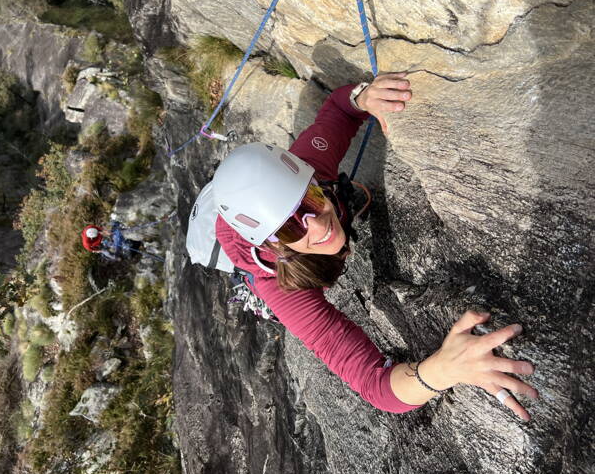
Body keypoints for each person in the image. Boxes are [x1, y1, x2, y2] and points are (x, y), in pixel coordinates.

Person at [212, 73, 539, 420]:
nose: (319, 223)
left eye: (310, 199)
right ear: (273, 245)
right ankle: (248, 284)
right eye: (291, 226)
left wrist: (362, 97)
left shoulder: (309, 170)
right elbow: (376, 387)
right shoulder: (283, 289)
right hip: (266, 265)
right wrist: (443, 370)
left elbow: (339, 110)